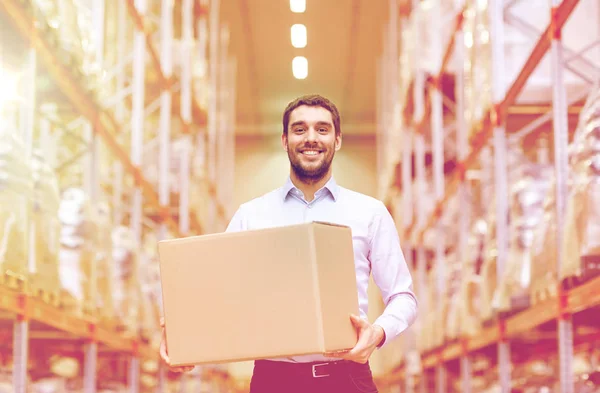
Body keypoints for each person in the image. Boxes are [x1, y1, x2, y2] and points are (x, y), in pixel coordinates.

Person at [160, 94, 418, 392]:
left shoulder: (370, 213)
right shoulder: (251, 215)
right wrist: (183, 335)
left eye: (322, 129)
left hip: (348, 378)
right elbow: (216, 294)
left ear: (337, 140)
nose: (311, 138)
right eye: (299, 129)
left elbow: (403, 297)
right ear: (285, 140)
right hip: (274, 380)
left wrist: (378, 333)